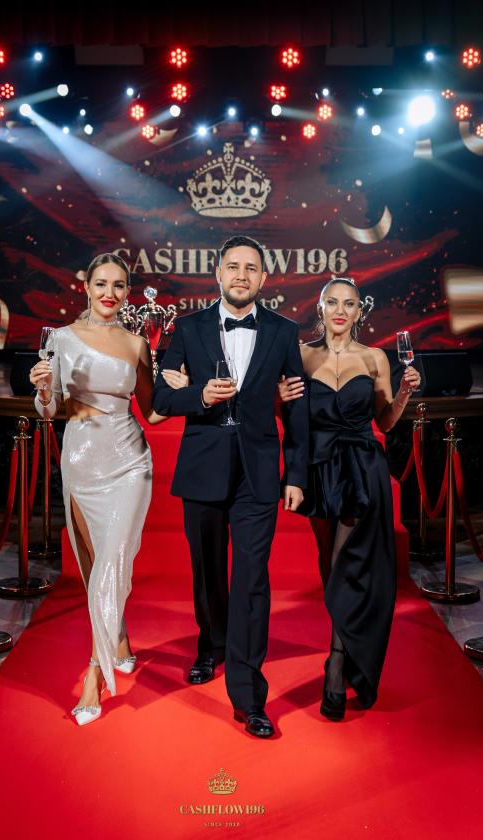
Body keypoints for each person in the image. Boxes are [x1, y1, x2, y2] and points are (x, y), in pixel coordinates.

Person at [152, 235, 308, 738]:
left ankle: (249, 696)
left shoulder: (284, 331)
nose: (242, 275)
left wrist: (296, 474)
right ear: (218, 273)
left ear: (264, 278)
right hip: (203, 467)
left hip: (257, 473)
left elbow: (297, 407)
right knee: (207, 571)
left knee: (252, 580)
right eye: (233, 266)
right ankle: (211, 644)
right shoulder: (188, 328)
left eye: (251, 268)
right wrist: (199, 395)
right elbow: (159, 399)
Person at [29, 253, 186, 726]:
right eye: (101, 284)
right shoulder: (60, 339)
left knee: (114, 560)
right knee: (97, 564)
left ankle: (95, 672)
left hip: (130, 461)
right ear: (86, 287)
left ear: (127, 292)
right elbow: (50, 410)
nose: (110, 293)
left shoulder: (137, 344)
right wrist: (42, 391)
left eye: (119, 285)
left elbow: (152, 412)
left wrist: (181, 388)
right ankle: (119, 639)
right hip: (81, 458)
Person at [278, 276, 420, 721]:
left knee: (345, 563)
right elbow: (289, 418)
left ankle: (337, 666)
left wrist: (404, 393)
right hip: (319, 469)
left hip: (361, 470)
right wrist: (278, 399)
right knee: (330, 563)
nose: (341, 310)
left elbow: (385, 421)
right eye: (333, 302)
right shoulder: (301, 355)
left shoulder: (374, 357)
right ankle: (348, 645)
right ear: (320, 308)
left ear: (360, 311)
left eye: (350, 303)